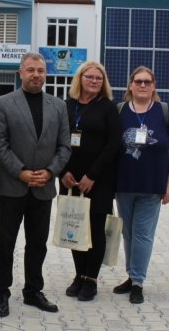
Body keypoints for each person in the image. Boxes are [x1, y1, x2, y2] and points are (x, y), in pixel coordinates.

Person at [0, 52, 71, 317]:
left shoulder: (58, 105)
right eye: (31, 70)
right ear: (20, 73)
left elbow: (64, 146)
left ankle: (33, 291)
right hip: (13, 186)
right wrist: (21, 171)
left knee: (38, 243)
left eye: (41, 70)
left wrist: (50, 172)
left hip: (44, 187)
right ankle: (2, 293)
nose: (37, 74)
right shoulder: (4, 103)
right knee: (6, 242)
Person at [113, 66, 169, 304]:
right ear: (130, 85)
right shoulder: (120, 111)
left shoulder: (163, 112)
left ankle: (138, 283)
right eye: (138, 81)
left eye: (147, 82)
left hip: (153, 187)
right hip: (123, 185)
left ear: (154, 86)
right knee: (128, 233)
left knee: (142, 234)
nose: (142, 85)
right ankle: (131, 275)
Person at [59, 61, 121, 301]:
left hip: (98, 180)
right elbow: (56, 140)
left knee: (94, 230)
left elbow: (113, 144)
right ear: (80, 78)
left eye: (99, 78)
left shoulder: (108, 108)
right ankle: (79, 274)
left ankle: (91, 279)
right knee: (74, 227)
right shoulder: (66, 106)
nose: (94, 81)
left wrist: (92, 175)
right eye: (90, 77)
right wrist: (62, 172)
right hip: (69, 180)